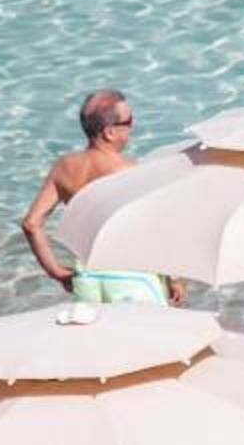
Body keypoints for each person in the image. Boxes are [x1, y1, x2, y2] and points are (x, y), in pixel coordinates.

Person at [19, 89, 182, 305]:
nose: (133, 126)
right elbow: (155, 230)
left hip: (87, 277)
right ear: (109, 132)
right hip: (131, 277)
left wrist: (56, 272)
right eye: (129, 121)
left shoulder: (64, 167)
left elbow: (31, 224)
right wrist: (174, 277)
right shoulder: (129, 171)